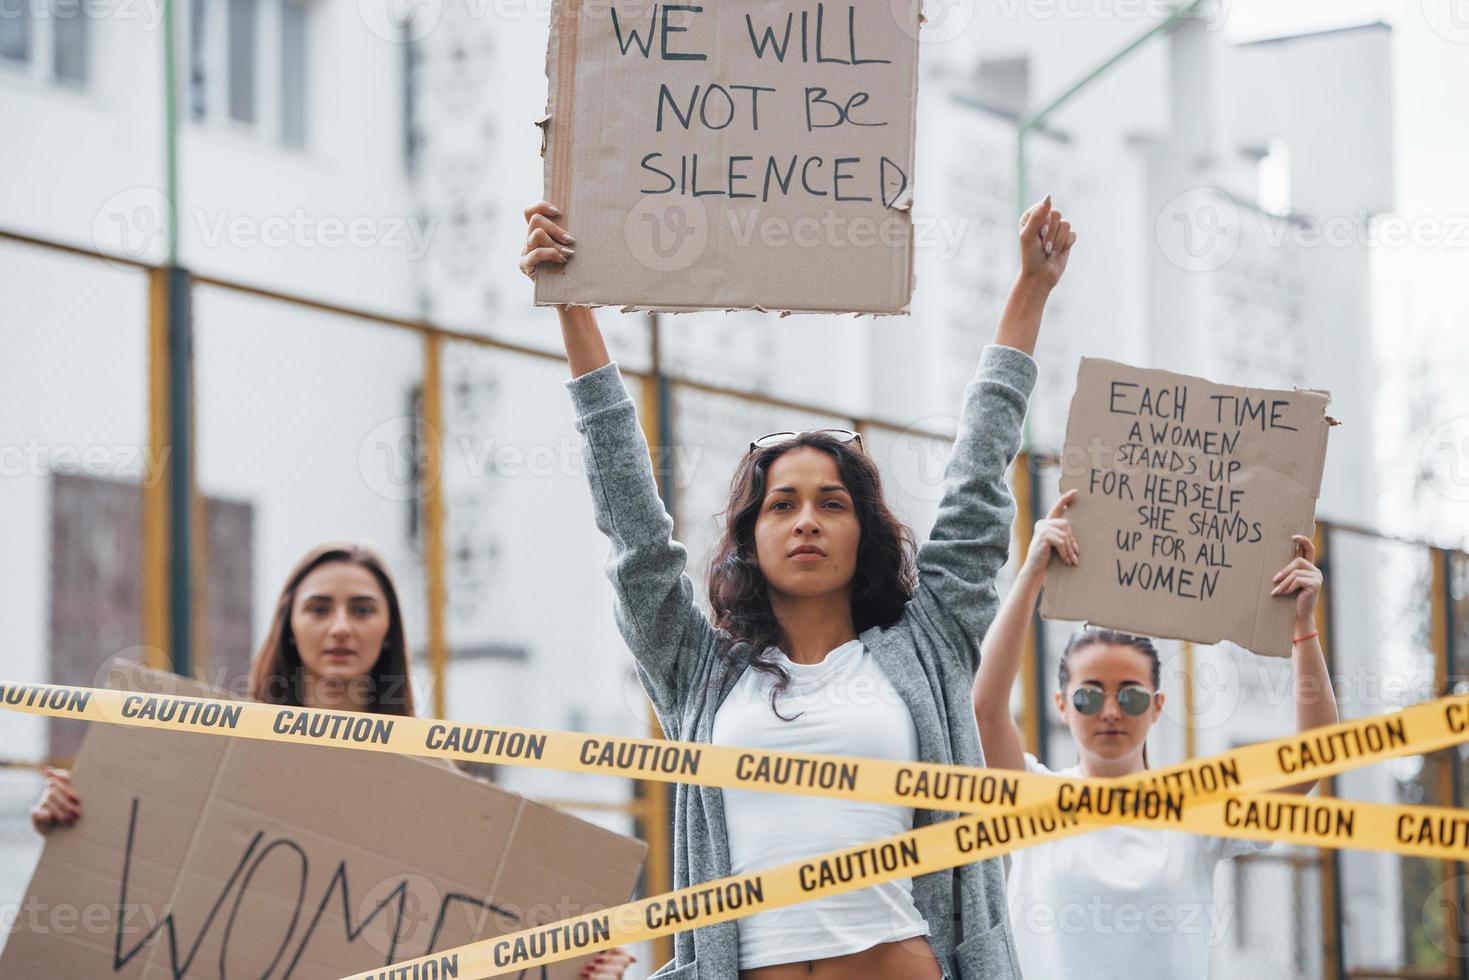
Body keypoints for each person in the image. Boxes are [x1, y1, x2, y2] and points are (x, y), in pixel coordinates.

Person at [520, 195, 1076, 979]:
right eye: (781, 505)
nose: (806, 521)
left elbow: (978, 483)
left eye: (832, 503)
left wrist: (1028, 293)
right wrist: (573, 305)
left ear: (864, 533)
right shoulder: (698, 672)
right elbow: (633, 533)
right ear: (750, 537)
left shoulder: (929, 643)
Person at [32, 542, 635, 980]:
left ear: (388, 630)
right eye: (319, 608)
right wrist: (73, 817)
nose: (341, 626)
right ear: (291, 625)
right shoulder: (213, 752)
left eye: (363, 609)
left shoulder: (440, 782)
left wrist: (585, 961)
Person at [971, 492, 1340, 979]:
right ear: (1061, 706)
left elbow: (1313, 759)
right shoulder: (1033, 798)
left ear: (1158, 706)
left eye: (1131, 696)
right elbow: (985, 709)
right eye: (1088, 696)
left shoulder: (1196, 809)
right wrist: (1031, 575)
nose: (1109, 712)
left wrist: (1302, 627)